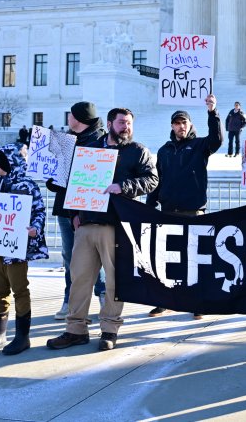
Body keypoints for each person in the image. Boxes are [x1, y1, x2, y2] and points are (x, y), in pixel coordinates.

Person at [46, 108, 158, 352]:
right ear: (109, 124)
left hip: (116, 225)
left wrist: (123, 186)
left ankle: (109, 329)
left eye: (129, 123)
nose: (126, 127)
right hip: (86, 224)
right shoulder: (88, 150)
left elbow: (152, 180)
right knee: (79, 279)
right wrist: (74, 213)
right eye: (121, 123)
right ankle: (75, 330)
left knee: (115, 282)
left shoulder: (137, 151)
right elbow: (74, 183)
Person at [146, 94, 222, 318]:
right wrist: (150, 206)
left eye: (184, 123)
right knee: (167, 260)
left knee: (195, 260)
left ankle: (197, 302)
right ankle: (165, 300)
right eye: (177, 123)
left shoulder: (200, 146)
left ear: (190, 125)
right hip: (168, 211)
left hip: (193, 211)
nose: (181, 126)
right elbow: (156, 181)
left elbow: (217, 140)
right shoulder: (164, 150)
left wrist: (212, 112)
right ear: (172, 126)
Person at [0, 144, 48, 356]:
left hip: (16, 248)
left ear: (9, 163)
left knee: (19, 289)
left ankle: (23, 337)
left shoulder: (27, 185)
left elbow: (39, 210)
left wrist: (36, 228)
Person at [45, 101, 106, 320]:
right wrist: (51, 177)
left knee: (95, 255)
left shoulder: (101, 141)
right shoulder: (64, 140)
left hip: (90, 209)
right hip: (65, 208)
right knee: (70, 256)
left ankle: (103, 295)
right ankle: (70, 299)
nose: (68, 118)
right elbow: (55, 178)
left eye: (71, 115)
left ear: (78, 118)